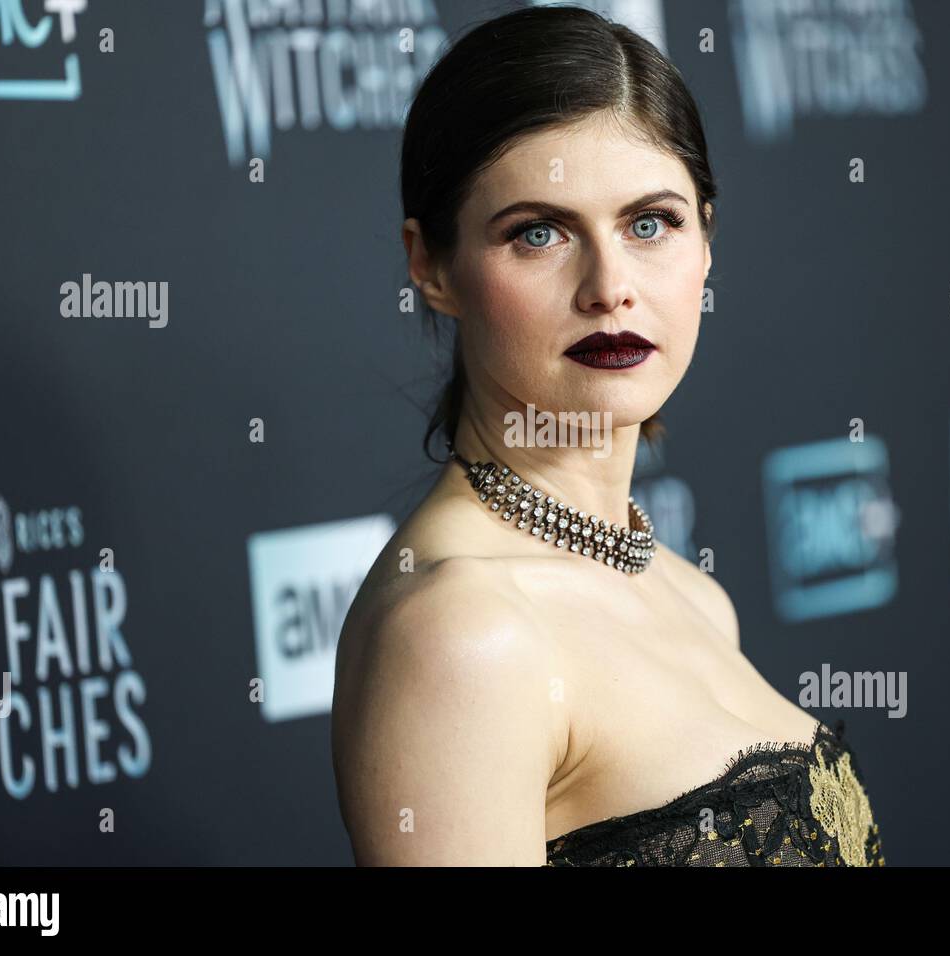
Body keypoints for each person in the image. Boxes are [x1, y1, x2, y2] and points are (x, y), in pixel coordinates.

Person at [331, 3, 883, 867]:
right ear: (430, 266)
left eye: (649, 222)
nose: (610, 286)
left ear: (705, 241)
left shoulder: (693, 597)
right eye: (538, 233)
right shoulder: (462, 632)